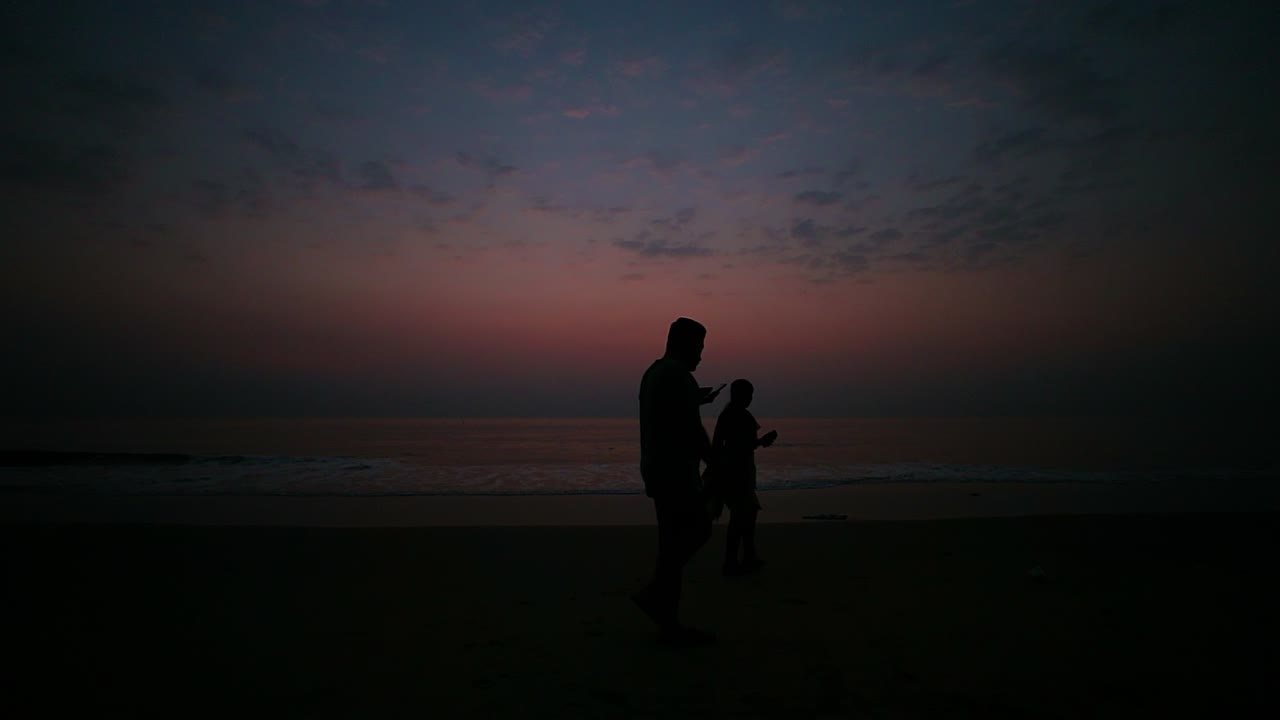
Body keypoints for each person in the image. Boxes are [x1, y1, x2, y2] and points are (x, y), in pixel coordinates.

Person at [631, 317, 718, 646]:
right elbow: (691, 429)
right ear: (685, 345)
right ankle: (657, 594)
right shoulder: (678, 376)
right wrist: (716, 463)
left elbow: (666, 413)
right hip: (675, 472)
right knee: (698, 529)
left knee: (671, 542)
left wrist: (695, 398)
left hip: (656, 469)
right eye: (699, 347)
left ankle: (668, 623)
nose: (701, 356)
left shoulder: (655, 372)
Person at [711, 379, 777, 576]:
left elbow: (723, 445)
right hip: (736, 473)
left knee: (746, 514)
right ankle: (733, 561)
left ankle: (747, 556)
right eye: (748, 394)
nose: (750, 398)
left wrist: (760, 442)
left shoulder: (731, 415)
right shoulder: (736, 416)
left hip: (738, 471)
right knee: (741, 516)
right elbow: (739, 446)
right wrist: (761, 442)